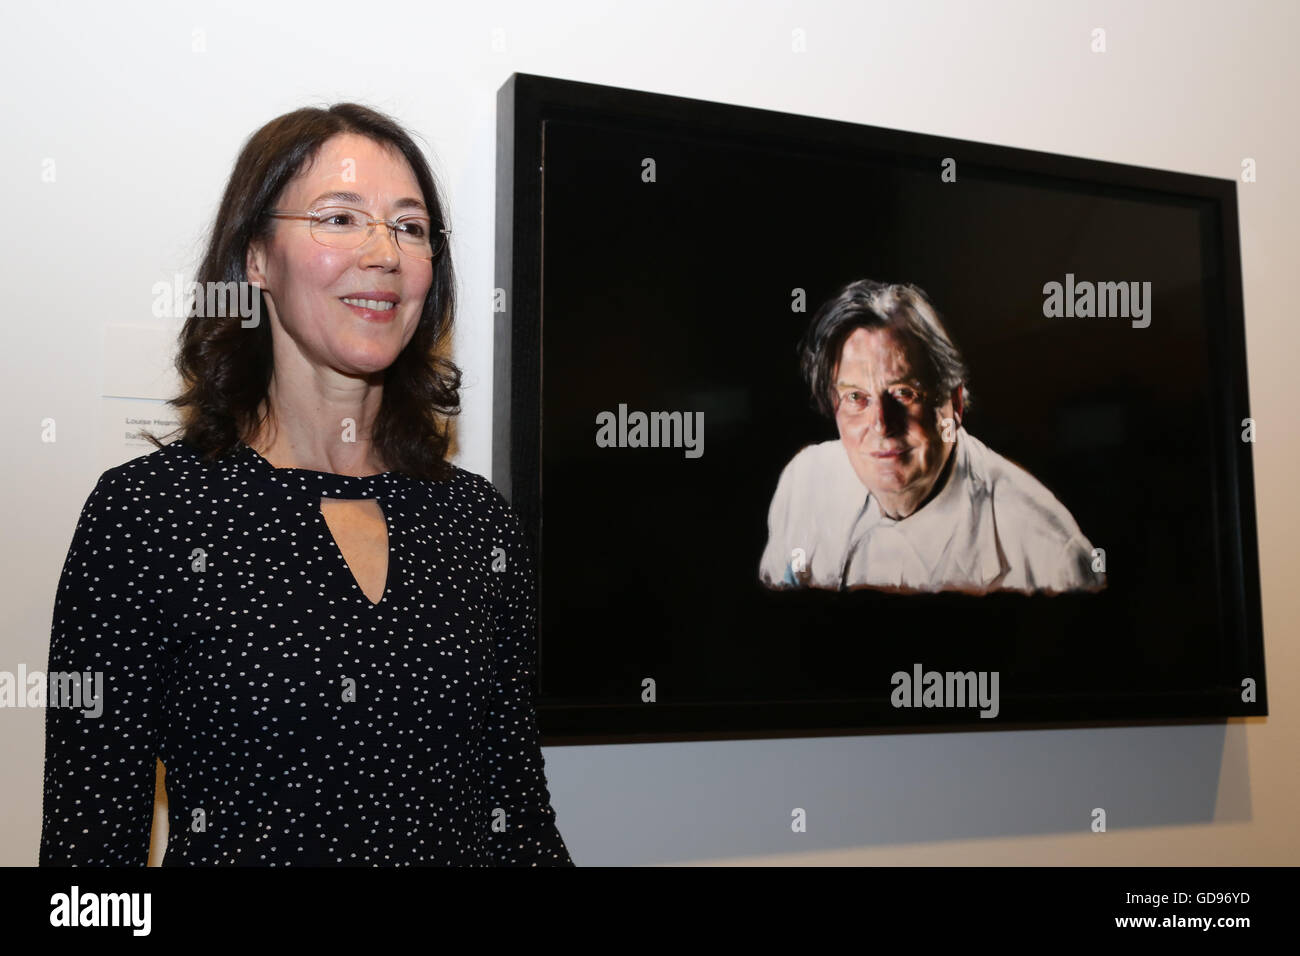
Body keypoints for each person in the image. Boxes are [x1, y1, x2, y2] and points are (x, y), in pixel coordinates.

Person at [39, 104, 572, 866]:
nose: (384, 252)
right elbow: (87, 854)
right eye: (340, 217)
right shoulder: (148, 515)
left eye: (410, 226)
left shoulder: (478, 524)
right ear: (256, 258)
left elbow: (517, 822)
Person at [759, 280, 1105, 595]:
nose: (881, 425)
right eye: (855, 398)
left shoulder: (1049, 553)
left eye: (904, 393)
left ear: (953, 403)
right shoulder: (803, 484)